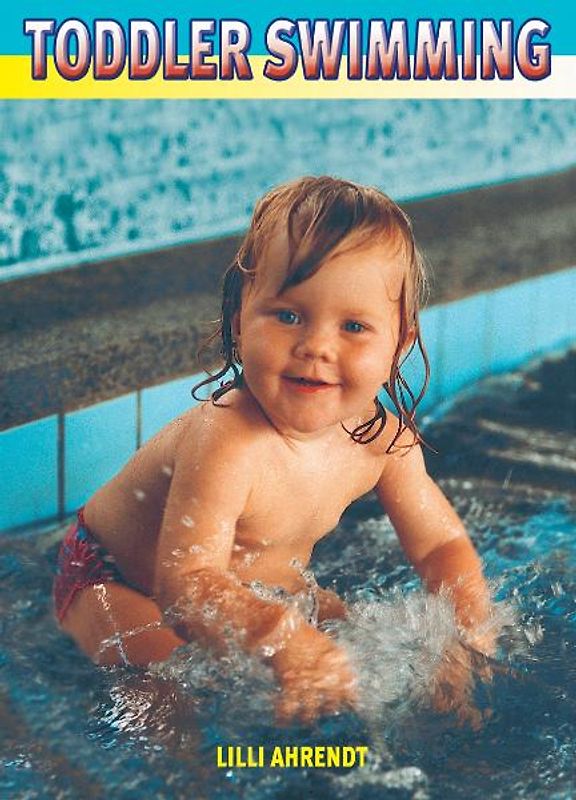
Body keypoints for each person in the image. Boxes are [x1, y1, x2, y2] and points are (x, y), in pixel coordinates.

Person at [53, 176, 493, 724]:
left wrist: (469, 637)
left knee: (366, 653)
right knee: (164, 694)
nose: (316, 347)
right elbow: (185, 586)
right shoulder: (228, 436)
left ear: (398, 343)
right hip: (113, 580)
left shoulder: (382, 440)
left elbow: (439, 547)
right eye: (288, 315)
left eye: (354, 326)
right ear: (241, 319)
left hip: (260, 589)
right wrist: (282, 637)